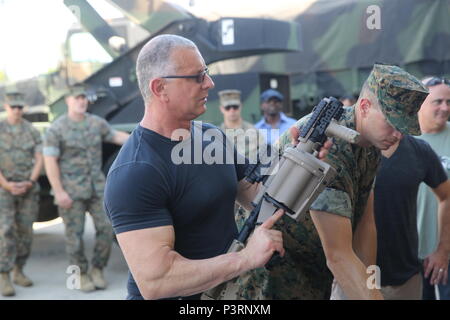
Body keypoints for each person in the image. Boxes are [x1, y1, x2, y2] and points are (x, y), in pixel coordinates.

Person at [103, 34, 292, 300]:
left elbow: (257, 195)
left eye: (206, 73)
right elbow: (157, 281)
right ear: (160, 89)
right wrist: (245, 258)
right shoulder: (137, 171)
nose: (209, 83)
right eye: (197, 77)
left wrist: (296, 153)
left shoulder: (210, 136)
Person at [232, 63, 429, 300]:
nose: (398, 135)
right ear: (365, 107)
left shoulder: (369, 143)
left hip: (311, 271)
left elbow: (366, 226)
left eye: (403, 127)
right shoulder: (329, 146)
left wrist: (369, 288)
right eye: (392, 123)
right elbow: (338, 255)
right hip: (270, 276)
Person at [43, 84, 129, 292]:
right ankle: (80, 274)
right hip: (71, 190)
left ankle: (98, 269)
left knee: (107, 228)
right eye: (77, 97)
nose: (82, 101)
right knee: (75, 236)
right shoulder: (57, 128)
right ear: (68, 101)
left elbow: (117, 137)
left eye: (84, 98)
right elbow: (50, 161)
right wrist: (59, 191)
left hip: (97, 188)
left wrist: (142, 140)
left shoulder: (95, 123)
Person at [373, 135, 450, 300]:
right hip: (355, 274)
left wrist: (443, 250)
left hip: (404, 279)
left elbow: (447, 196)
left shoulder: (419, 149)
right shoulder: (350, 145)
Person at [0, 92, 43, 297]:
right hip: (3, 189)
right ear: (6, 106)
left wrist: (31, 181)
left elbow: (39, 156)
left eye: (19, 107)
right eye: (13, 106)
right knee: (5, 231)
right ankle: (4, 275)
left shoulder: (30, 130)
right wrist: (6, 184)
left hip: (27, 188)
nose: (16, 110)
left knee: (25, 232)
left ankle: (19, 271)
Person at [416, 76, 450, 300]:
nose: (445, 108)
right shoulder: (397, 139)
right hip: (411, 248)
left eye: (449, 102)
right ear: (419, 104)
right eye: (437, 101)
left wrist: (443, 249)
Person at [218, 89, 265, 161]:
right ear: (221, 109)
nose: (232, 110)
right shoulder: (217, 134)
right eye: (227, 107)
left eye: (235, 106)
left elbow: (263, 156)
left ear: (241, 106)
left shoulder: (254, 131)